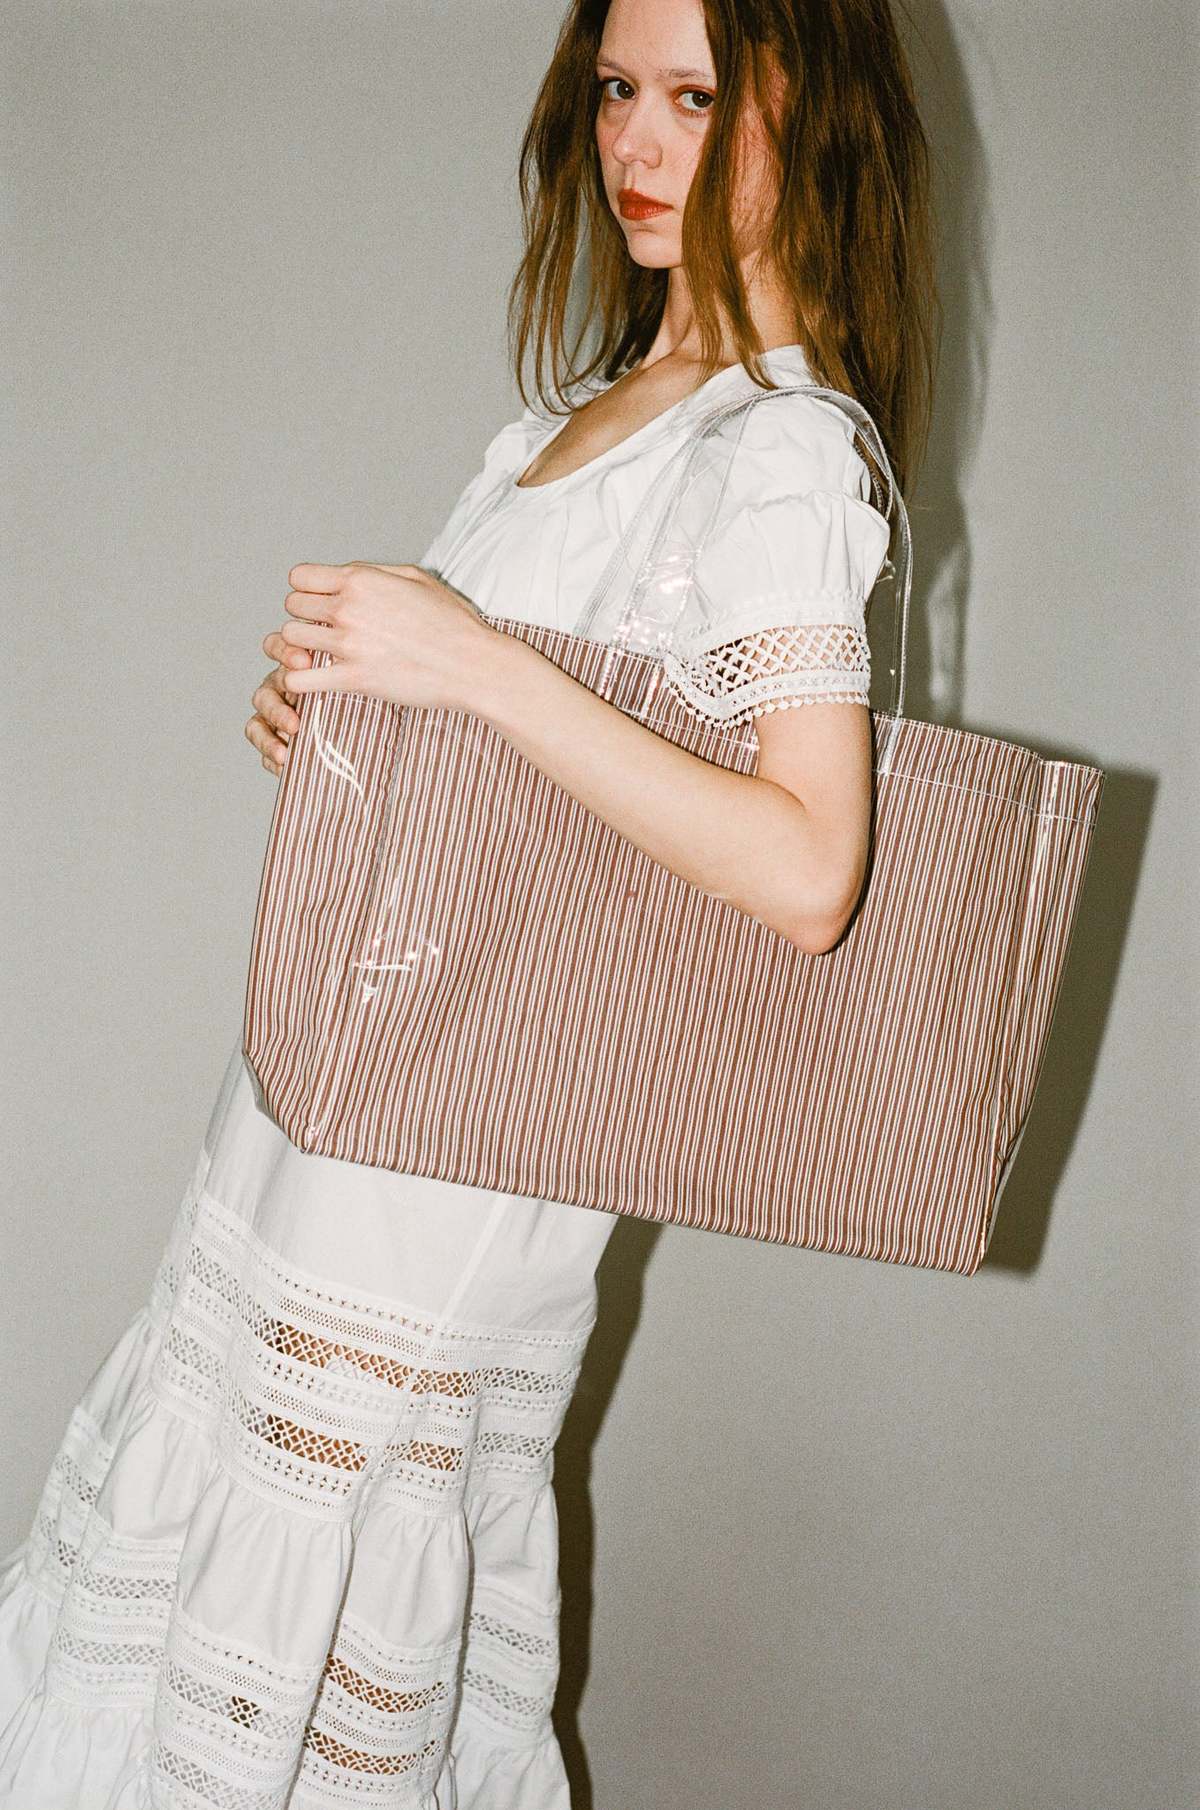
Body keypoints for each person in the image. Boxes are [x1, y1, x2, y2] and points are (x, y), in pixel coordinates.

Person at [0, 0, 937, 1802]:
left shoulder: (783, 446)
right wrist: (349, 730)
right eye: (618, 90)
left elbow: (811, 867)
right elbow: (528, 795)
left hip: (450, 1185)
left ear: (809, 115)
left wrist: (474, 664)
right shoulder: (577, 422)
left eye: (696, 99)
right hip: (326, 1113)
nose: (636, 142)